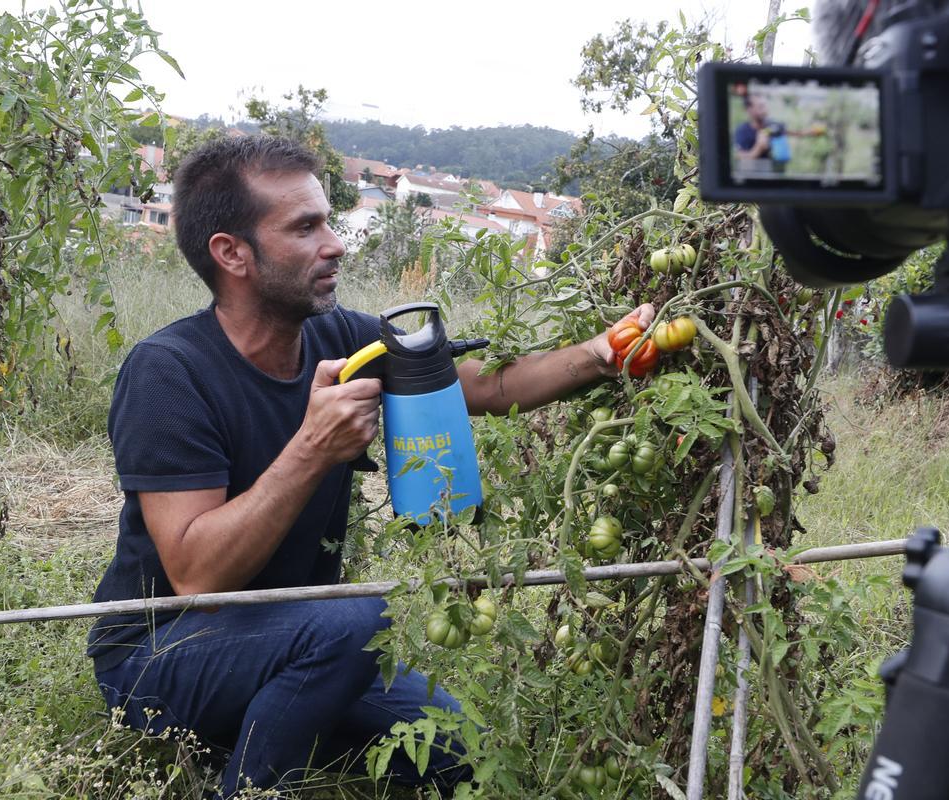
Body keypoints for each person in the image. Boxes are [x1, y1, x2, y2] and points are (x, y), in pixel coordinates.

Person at [85, 134, 653, 798]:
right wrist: (313, 447)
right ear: (230, 252)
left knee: (465, 755)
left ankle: (273, 721)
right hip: (163, 656)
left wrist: (605, 352)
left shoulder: (340, 339)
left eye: (328, 219)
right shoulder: (169, 373)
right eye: (305, 227)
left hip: (295, 642)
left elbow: (488, 387)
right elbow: (197, 574)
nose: (336, 244)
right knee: (360, 618)